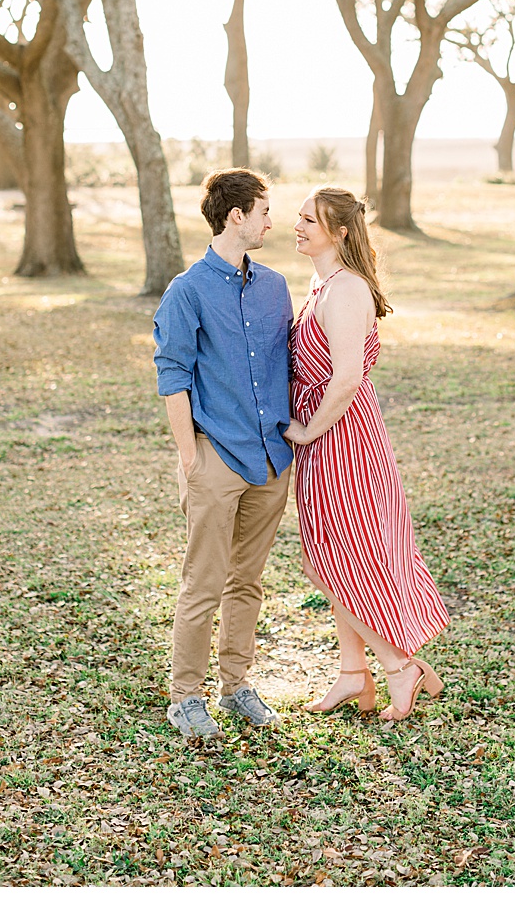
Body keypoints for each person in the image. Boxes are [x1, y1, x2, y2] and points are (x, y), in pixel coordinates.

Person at [285, 187, 449, 722]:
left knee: (335, 560)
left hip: (342, 438)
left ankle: (398, 665)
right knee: (329, 557)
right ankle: (353, 675)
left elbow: (348, 377)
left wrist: (308, 432)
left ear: (341, 232)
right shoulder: (321, 282)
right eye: (300, 217)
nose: (299, 225)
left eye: (311, 220)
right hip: (323, 437)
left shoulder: (348, 290)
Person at [152, 169, 294, 740]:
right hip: (217, 458)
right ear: (235, 216)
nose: (270, 221)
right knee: (202, 583)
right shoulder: (186, 291)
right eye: (263, 211)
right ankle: (186, 696)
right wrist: (190, 461)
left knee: (248, 582)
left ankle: (236, 686)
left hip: (272, 461)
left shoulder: (276, 286)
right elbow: (172, 378)